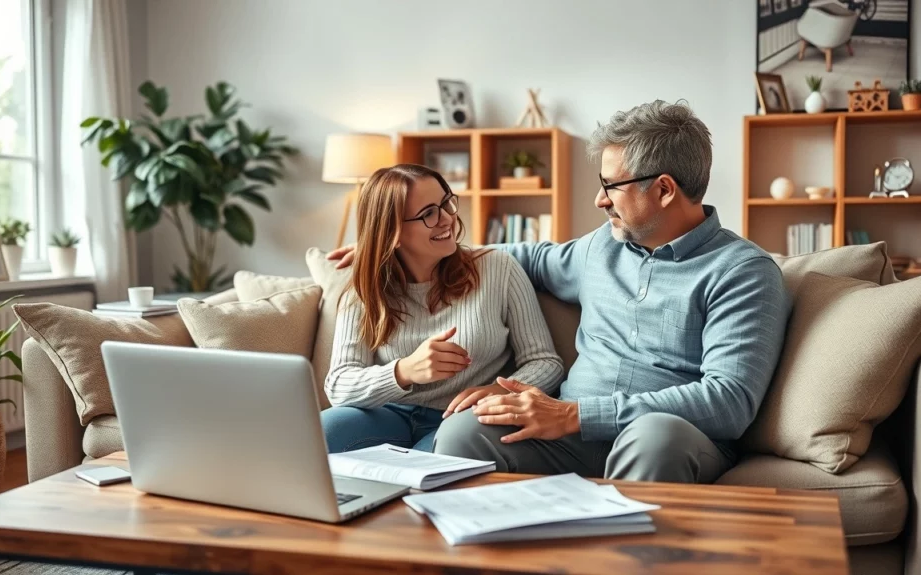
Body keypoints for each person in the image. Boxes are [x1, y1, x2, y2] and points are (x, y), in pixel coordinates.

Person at [328, 100, 791, 483]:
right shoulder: (599, 248)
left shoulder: (742, 272)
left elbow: (729, 401)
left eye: (611, 186)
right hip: (568, 439)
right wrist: (385, 245)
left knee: (654, 436)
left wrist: (576, 415)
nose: (600, 199)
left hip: (670, 439)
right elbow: (511, 257)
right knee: (465, 432)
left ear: (664, 189)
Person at [321, 163, 564, 454]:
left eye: (446, 202)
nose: (448, 218)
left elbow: (546, 363)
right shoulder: (365, 287)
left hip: (463, 419)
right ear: (392, 233)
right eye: (428, 213)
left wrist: (501, 389)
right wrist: (404, 371)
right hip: (388, 415)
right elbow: (339, 385)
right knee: (323, 431)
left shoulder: (498, 268)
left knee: (438, 459)